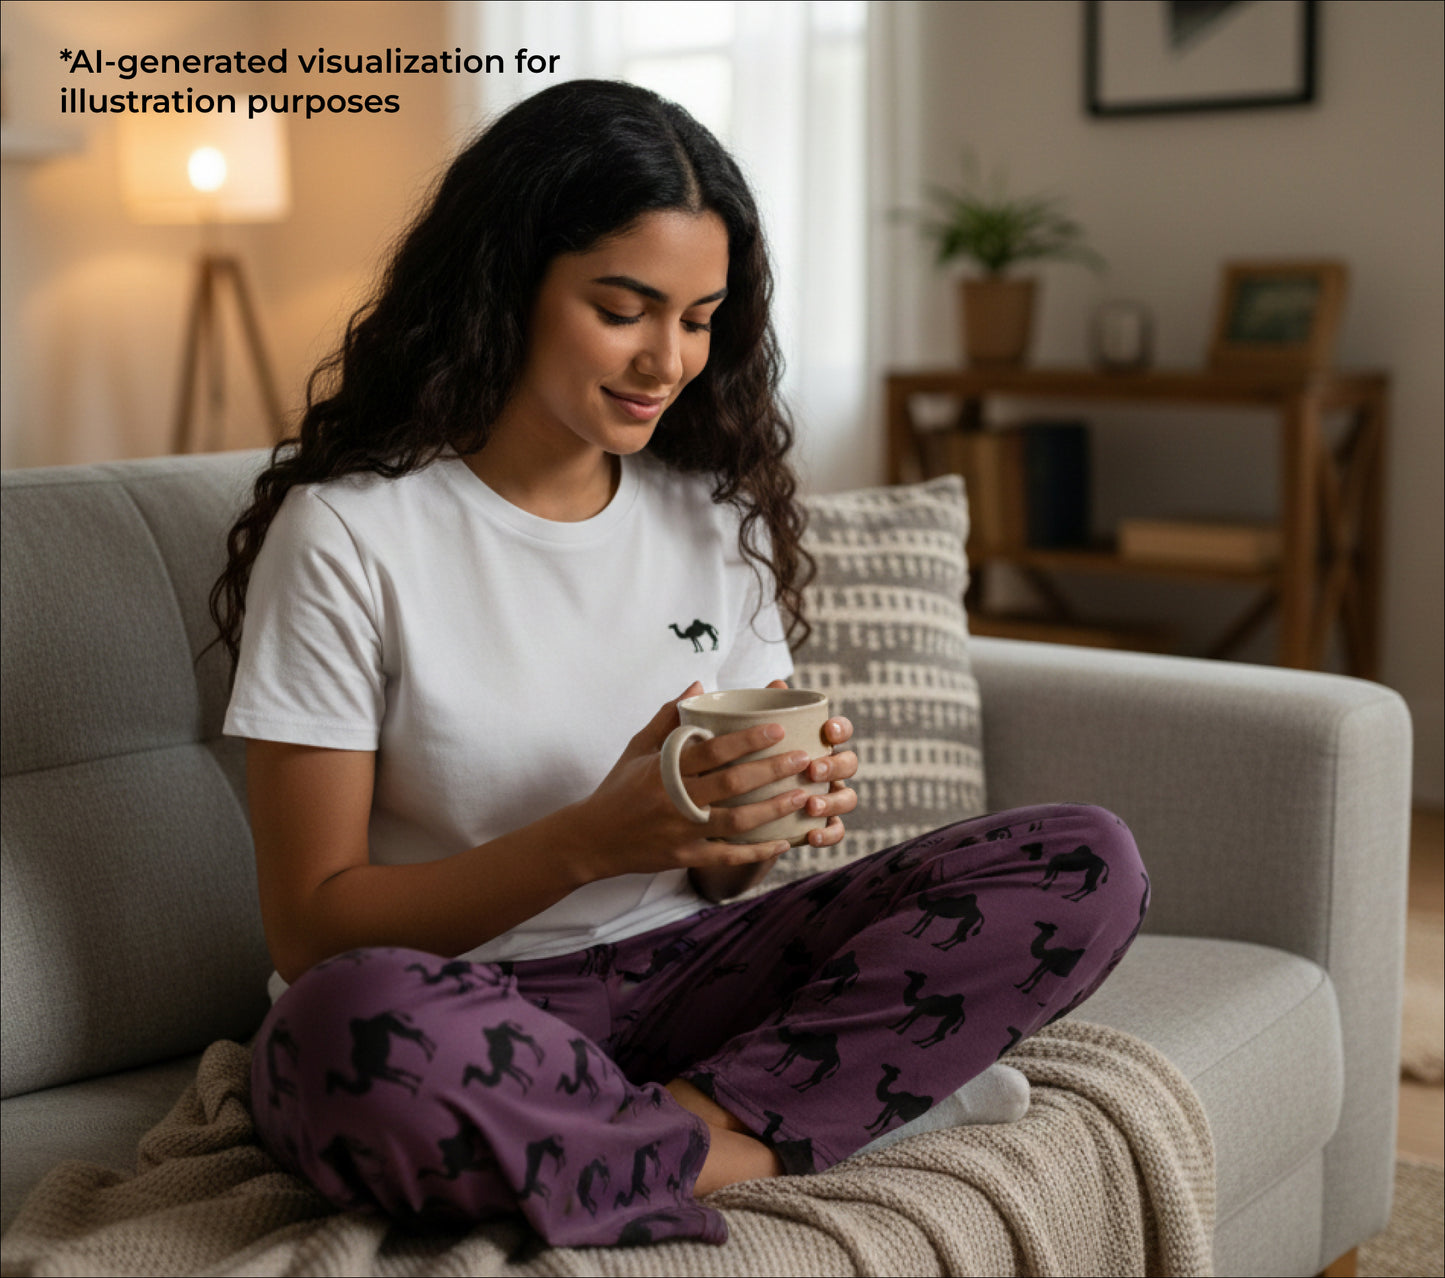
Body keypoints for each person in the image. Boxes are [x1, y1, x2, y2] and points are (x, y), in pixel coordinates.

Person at [214, 80, 1147, 1249]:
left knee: (1078, 859)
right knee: (331, 1032)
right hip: (467, 1005)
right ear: (508, 281)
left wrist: (742, 828)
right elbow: (309, 929)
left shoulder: (711, 516)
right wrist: (591, 840)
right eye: (624, 308)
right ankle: (810, 1119)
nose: (667, 360)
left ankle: (677, 1142)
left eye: (701, 319)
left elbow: (715, 888)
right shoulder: (352, 532)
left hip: (687, 975)